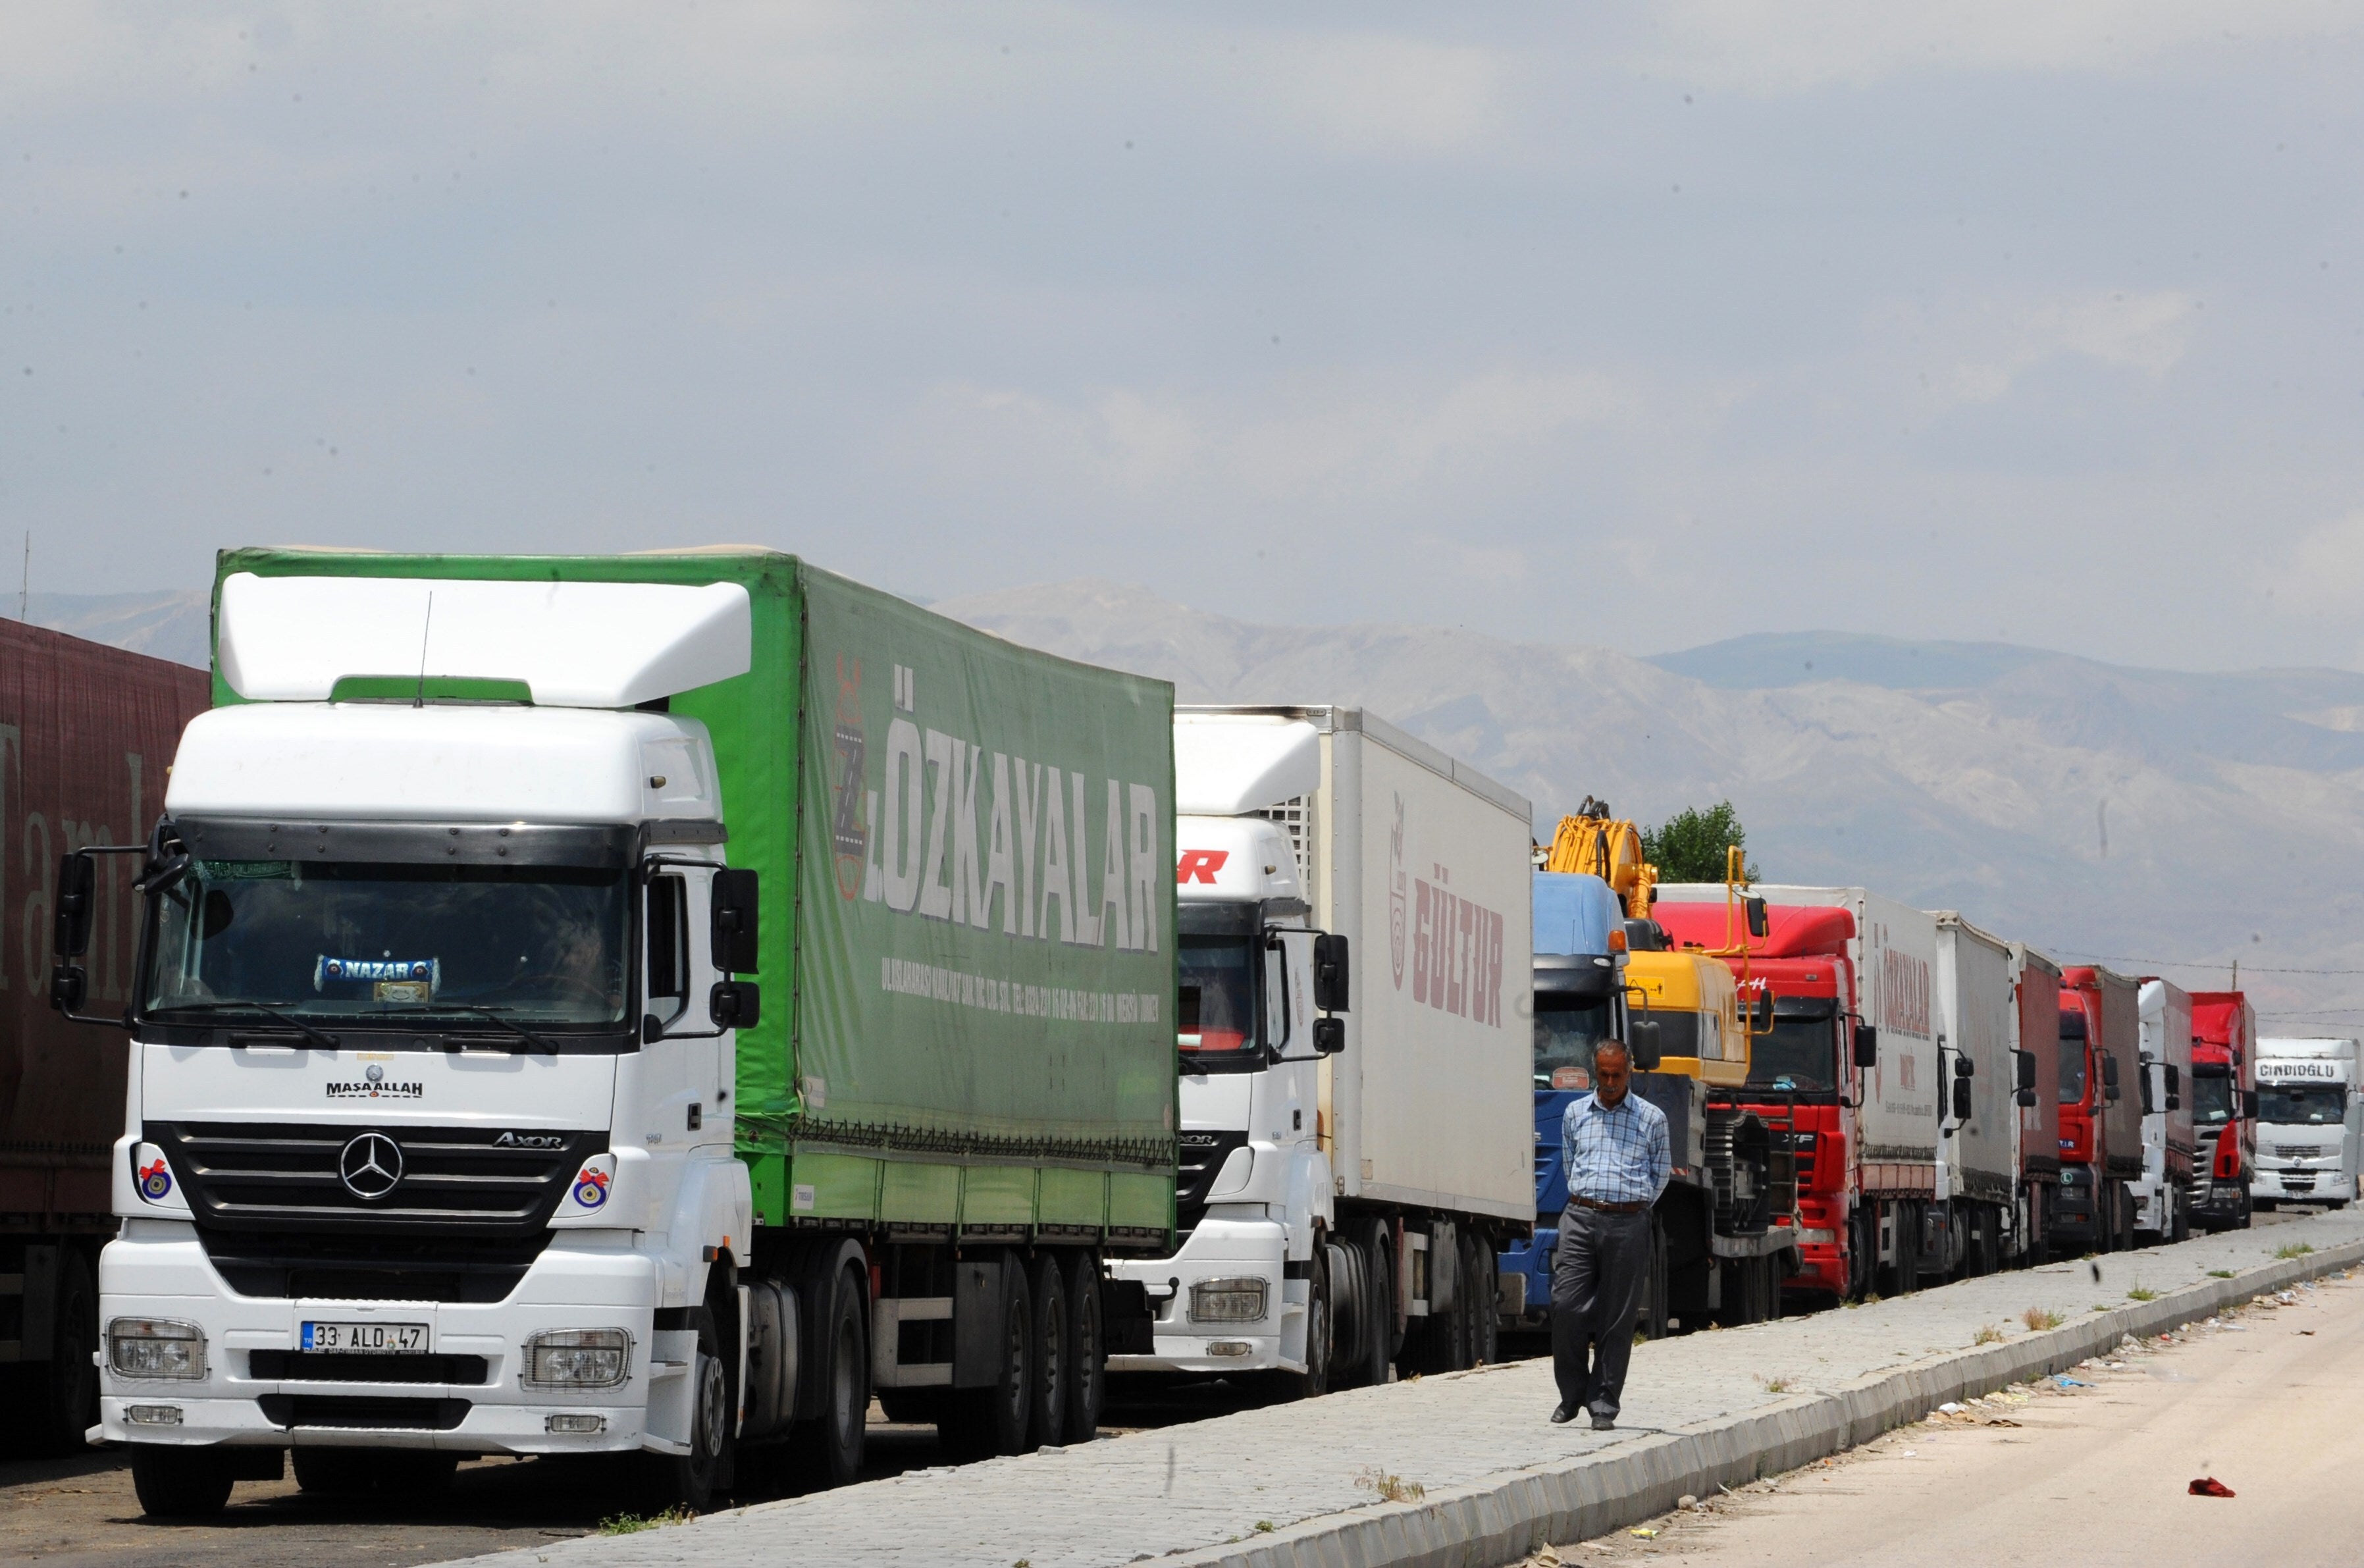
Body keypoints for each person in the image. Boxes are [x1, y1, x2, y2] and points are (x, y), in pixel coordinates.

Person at [1550, 1039, 1670, 1429]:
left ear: (1629, 1071)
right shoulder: (1575, 1114)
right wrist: (1591, 1202)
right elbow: (1570, 1164)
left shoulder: (1652, 1119)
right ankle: (1572, 1393)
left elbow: (1660, 1175)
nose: (1610, 1082)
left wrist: (1630, 1207)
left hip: (1628, 1223)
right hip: (1581, 1217)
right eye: (1603, 1075)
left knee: (1616, 1317)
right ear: (1595, 1071)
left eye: (1617, 1075)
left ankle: (1603, 1401)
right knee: (1567, 1305)